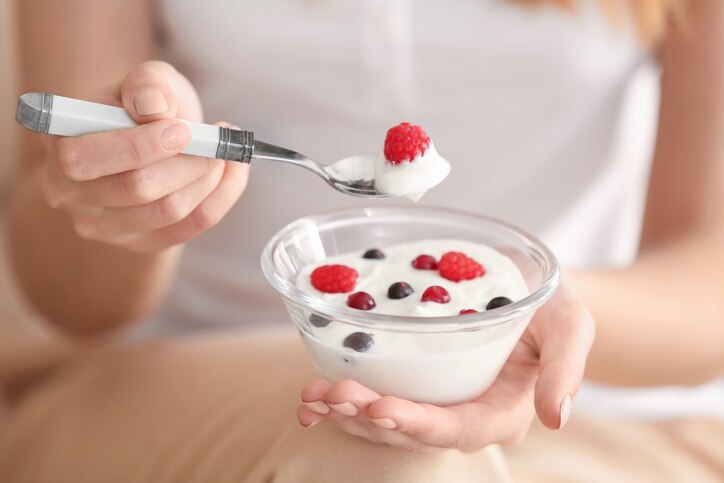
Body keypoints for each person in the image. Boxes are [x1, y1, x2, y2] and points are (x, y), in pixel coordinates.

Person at [1, 0, 723, 481]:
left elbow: (710, 276)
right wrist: (134, 194)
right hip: (174, 378)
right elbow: (65, 293)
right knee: (387, 457)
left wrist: (513, 315)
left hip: (602, 420)